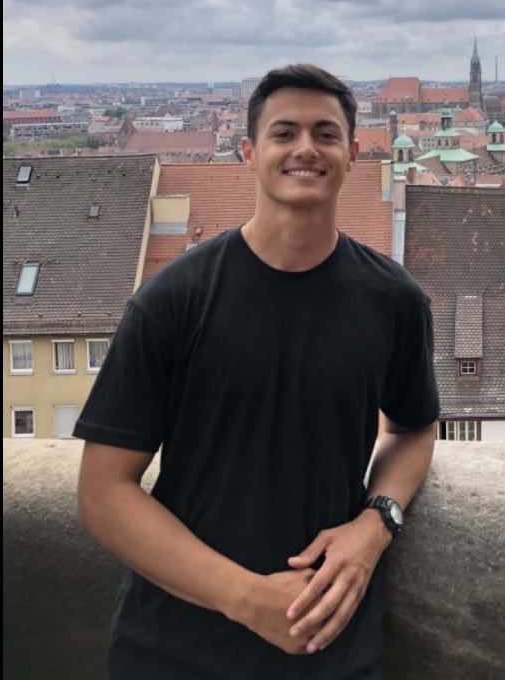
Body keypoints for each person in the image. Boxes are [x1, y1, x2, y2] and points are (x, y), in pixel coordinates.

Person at [73, 63, 441, 679]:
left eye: (325, 134)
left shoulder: (394, 299)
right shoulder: (174, 298)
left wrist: (375, 526)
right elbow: (102, 493)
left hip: (332, 649)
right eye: (284, 132)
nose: (305, 148)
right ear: (248, 151)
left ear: (353, 153)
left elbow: (413, 430)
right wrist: (245, 598)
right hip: (174, 649)